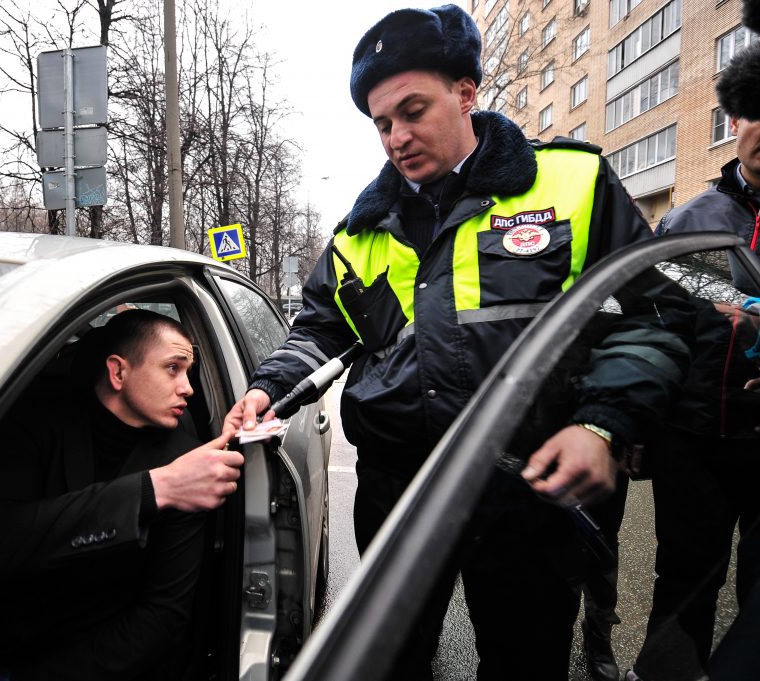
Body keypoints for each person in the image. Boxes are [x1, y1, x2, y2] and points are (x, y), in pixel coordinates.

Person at [225, 6, 688, 679]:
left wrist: (601, 423)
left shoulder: (570, 184)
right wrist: (270, 388)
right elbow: (322, 327)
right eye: (382, 123)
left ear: (466, 92)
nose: (395, 136)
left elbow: (657, 313)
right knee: (391, 659)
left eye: (412, 110)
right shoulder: (361, 230)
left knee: (523, 661)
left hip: (525, 488)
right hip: (397, 489)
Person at [0, 309, 243, 680]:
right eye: (172, 368)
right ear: (118, 372)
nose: (188, 387)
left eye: (188, 371)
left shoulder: (189, 463)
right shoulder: (33, 425)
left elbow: (163, 615)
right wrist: (151, 492)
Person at [627, 42, 760, 681]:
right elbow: (654, 328)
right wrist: (639, 428)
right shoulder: (692, 222)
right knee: (684, 583)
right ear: (734, 120)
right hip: (695, 444)